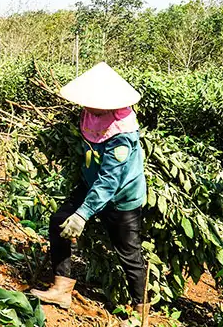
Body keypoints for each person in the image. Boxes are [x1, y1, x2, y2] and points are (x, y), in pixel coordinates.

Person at [30, 62, 149, 327]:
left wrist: (82, 215)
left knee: (128, 253)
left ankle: (141, 311)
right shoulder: (90, 113)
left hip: (121, 197)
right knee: (58, 220)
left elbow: (110, 181)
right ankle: (62, 289)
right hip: (90, 183)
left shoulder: (122, 133)